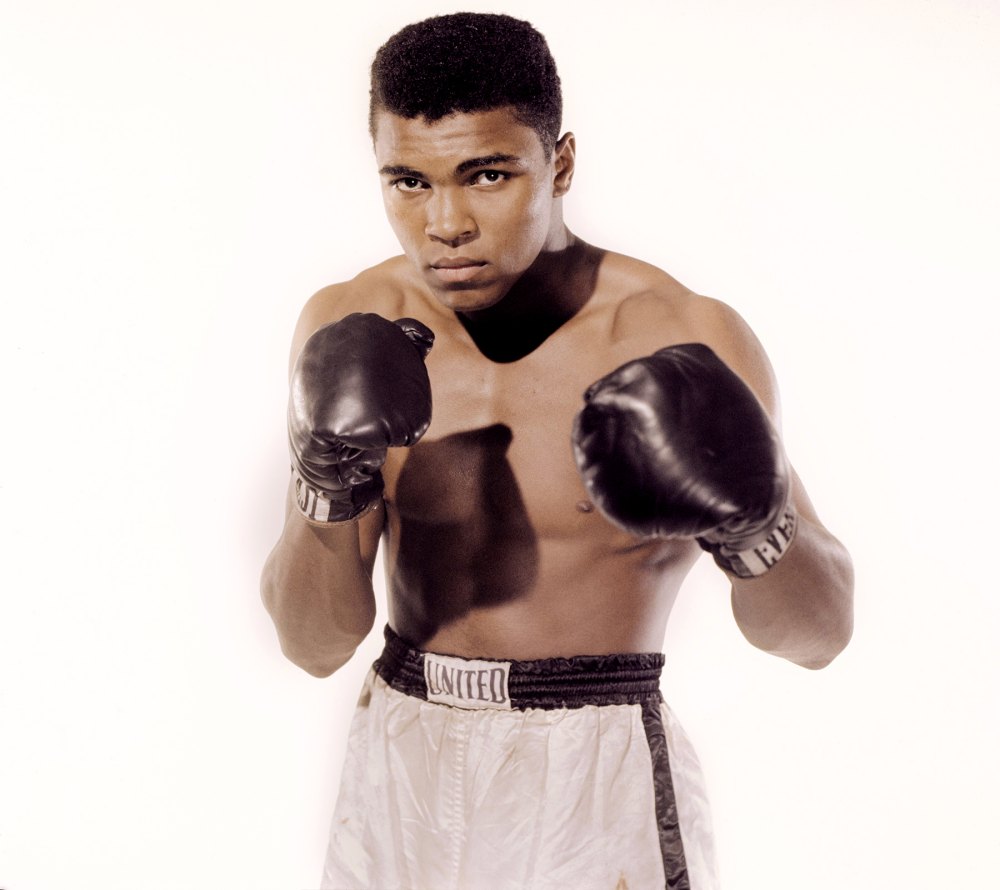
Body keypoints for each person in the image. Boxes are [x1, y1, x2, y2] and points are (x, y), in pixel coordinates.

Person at [260, 12, 854, 890]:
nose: (446, 223)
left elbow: (820, 636)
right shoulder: (355, 326)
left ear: (561, 164)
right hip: (399, 752)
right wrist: (324, 486)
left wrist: (753, 526)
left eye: (486, 174)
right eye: (408, 183)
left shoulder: (678, 334)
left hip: (593, 773)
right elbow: (313, 643)